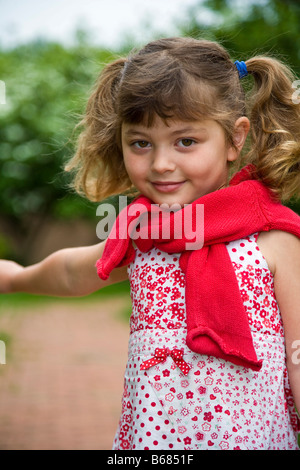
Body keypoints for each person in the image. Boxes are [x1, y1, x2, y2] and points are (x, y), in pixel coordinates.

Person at [0, 37, 300, 450]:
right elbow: (73, 273)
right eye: (140, 143)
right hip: (154, 443)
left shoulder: (274, 239)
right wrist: (14, 277)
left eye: (185, 141)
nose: (161, 163)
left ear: (234, 138)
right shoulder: (145, 237)